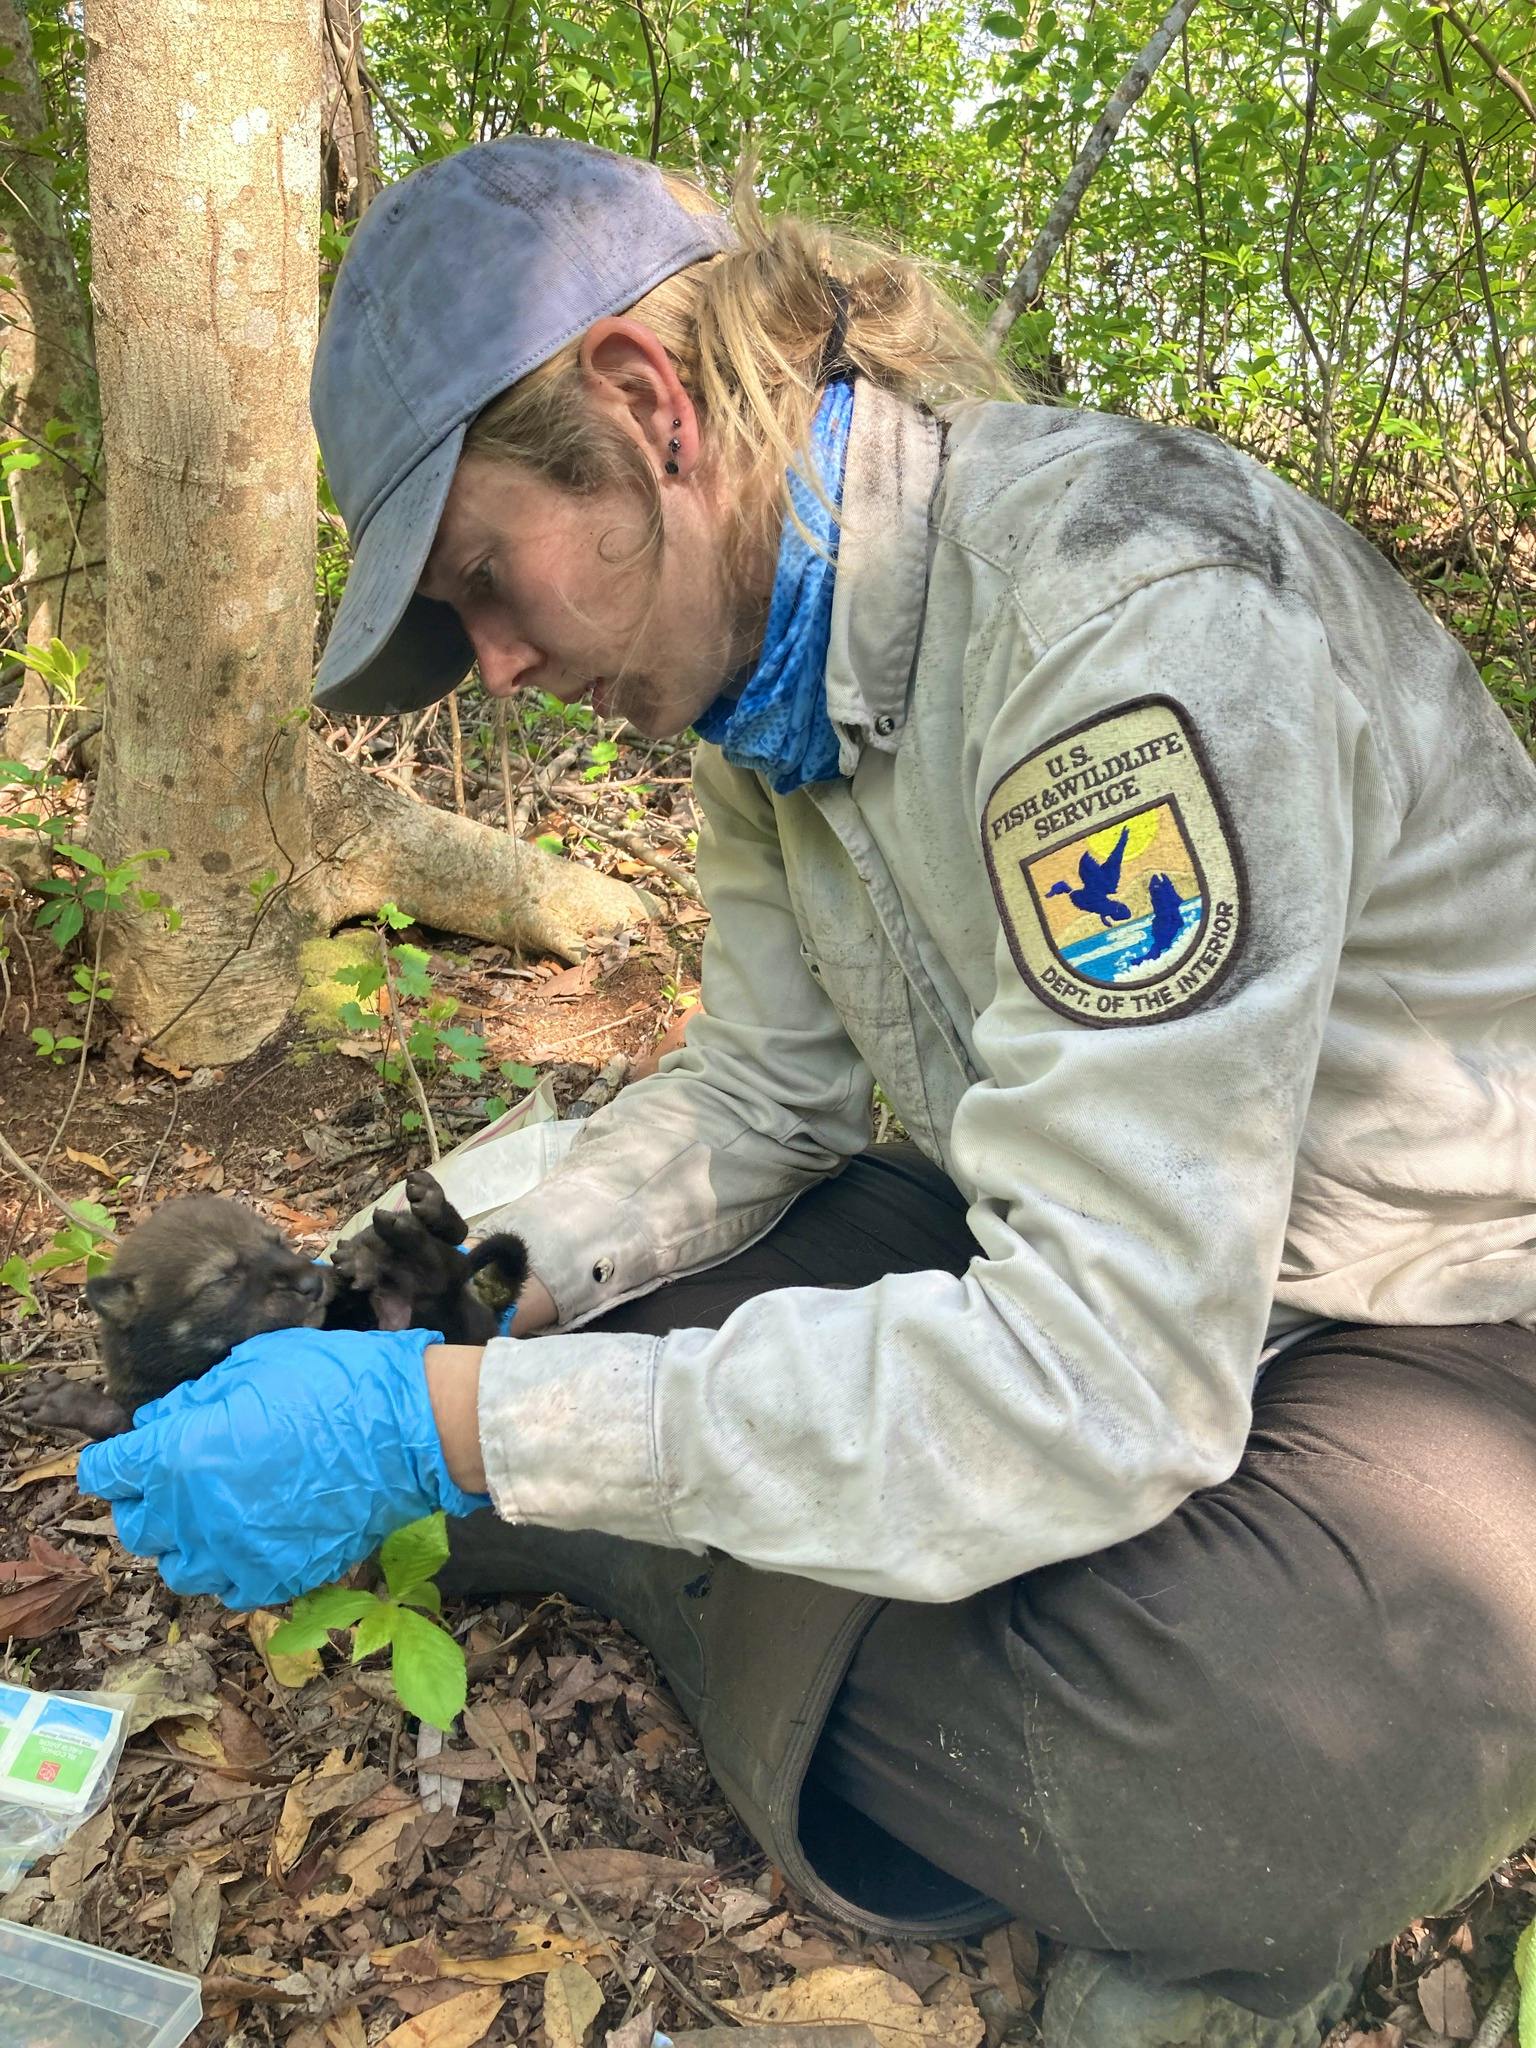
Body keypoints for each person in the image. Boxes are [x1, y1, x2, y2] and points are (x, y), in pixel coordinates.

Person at [79, 138, 1536, 2048]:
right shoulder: (760, 680)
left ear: (644, 403)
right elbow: (761, 1099)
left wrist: (448, 1427)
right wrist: (497, 1291)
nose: (501, 667)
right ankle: (718, 1548)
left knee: (1258, 1768)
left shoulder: (1128, 619)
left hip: (1424, 1314)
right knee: (566, 1358)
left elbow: (1104, 1378)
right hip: (1045, 1230)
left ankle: (684, 1556)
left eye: (486, 583)